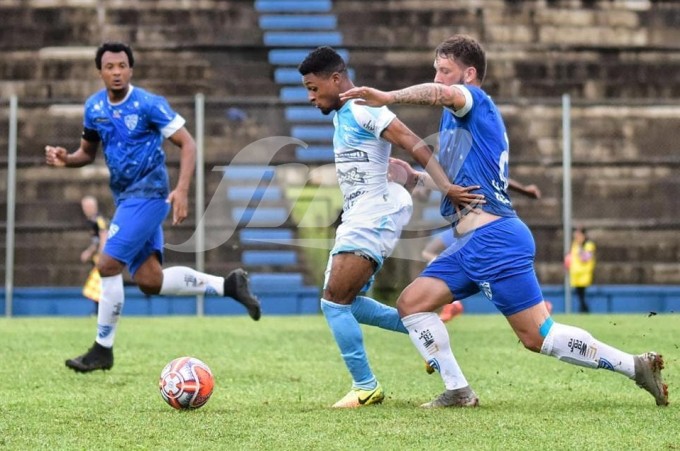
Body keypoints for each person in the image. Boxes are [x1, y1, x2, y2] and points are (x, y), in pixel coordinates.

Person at [340, 34, 668, 407]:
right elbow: (459, 182)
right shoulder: (459, 125)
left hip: (494, 240)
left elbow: (443, 94)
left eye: (444, 71)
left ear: (469, 74)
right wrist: (415, 178)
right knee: (412, 305)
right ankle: (458, 391)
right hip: (469, 245)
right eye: (435, 70)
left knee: (538, 337)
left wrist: (388, 97)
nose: (438, 77)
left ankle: (635, 366)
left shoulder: (472, 100)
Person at [45, 42, 261, 373]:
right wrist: (66, 159)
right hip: (125, 198)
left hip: (148, 195)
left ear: (131, 70)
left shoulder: (148, 104)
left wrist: (182, 190)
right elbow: (86, 153)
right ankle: (227, 285)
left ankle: (102, 349)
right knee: (149, 280)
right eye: (109, 66)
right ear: (100, 71)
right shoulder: (94, 108)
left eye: (122, 65)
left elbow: (188, 144)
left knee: (107, 264)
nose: (116, 71)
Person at [297, 46, 484, 408]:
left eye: (313, 87)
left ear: (336, 80)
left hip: (373, 216)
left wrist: (444, 186)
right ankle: (425, 327)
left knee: (333, 303)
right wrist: (399, 172)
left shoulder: (365, 108)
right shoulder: (342, 115)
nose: (310, 97)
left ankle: (365, 387)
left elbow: (412, 140)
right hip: (359, 216)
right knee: (349, 305)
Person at [422, 179, 541, 322]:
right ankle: (536, 304)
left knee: (429, 252)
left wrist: (418, 186)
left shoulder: (457, 161)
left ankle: (453, 303)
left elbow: (428, 188)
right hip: (489, 220)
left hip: (477, 221)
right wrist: (525, 189)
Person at [80, 195, 109, 312]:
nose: (85, 209)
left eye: (87, 206)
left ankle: (100, 311)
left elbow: (104, 235)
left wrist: (102, 255)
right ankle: (98, 310)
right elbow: (96, 241)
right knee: (98, 285)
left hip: (102, 256)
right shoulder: (92, 221)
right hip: (97, 256)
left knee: (98, 285)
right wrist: (89, 252)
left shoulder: (99, 220)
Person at [565, 226, 596, 313]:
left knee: (582, 295)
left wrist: (580, 248)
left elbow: (585, 258)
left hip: (584, 274)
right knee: (580, 295)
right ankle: (583, 310)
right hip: (575, 274)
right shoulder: (575, 244)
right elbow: (572, 256)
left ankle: (584, 310)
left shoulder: (588, 245)